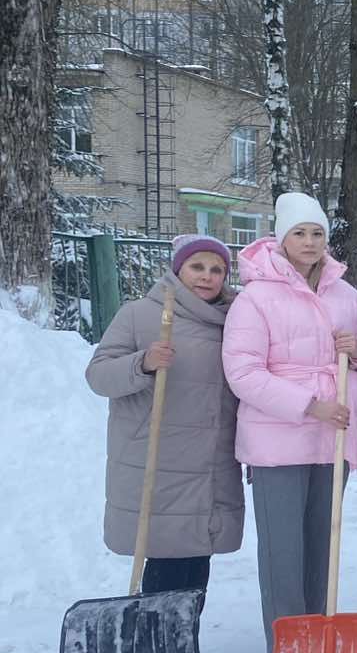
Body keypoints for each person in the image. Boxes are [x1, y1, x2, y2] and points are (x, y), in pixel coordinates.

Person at [223, 193, 357, 649]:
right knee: (283, 550)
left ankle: (320, 635)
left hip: (335, 436)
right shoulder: (256, 298)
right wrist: (309, 405)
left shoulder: (345, 293)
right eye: (300, 233)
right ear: (282, 238)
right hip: (279, 438)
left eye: (317, 233)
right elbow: (243, 373)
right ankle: (289, 645)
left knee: (322, 543)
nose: (310, 242)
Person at [86, 234, 245, 625]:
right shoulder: (142, 315)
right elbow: (99, 375)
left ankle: (181, 644)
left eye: (216, 270)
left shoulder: (235, 322)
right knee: (164, 560)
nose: (206, 277)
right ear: (177, 269)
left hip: (211, 463)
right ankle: (150, 640)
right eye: (197, 267)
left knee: (197, 565)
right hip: (159, 461)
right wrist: (142, 363)